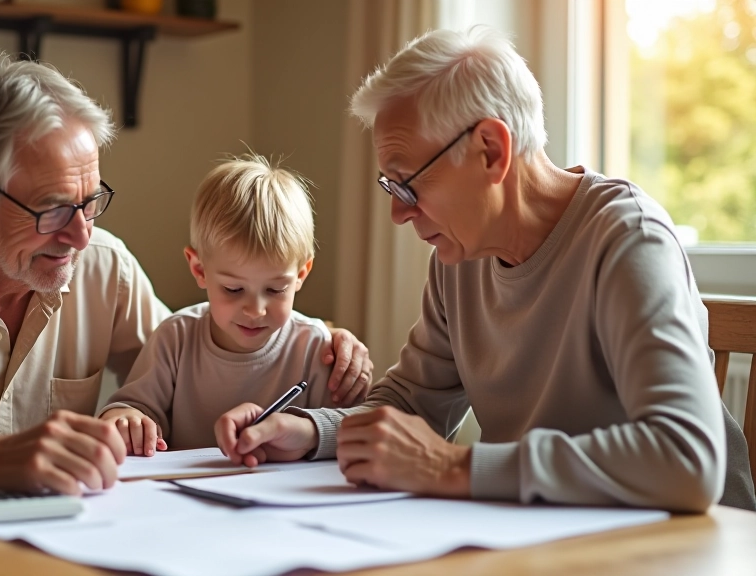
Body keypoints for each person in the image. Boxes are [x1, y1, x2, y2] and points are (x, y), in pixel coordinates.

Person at [0, 54, 372, 495]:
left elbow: (206, 356)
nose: (81, 234)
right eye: (53, 209)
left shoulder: (101, 265)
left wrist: (321, 343)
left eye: (90, 201)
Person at [215, 27, 755, 512]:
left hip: (685, 549)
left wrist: (450, 468)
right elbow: (412, 405)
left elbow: (687, 458)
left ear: (491, 150)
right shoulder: (460, 258)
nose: (398, 213)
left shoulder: (629, 241)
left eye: (407, 184)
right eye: (389, 187)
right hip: (553, 536)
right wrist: (307, 430)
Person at [97, 155, 366, 455]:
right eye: (234, 289)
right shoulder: (175, 339)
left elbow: (354, 431)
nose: (255, 310)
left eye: (276, 289)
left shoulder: (317, 349)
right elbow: (130, 408)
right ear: (199, 270)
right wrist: (127, 419)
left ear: (301, 274)